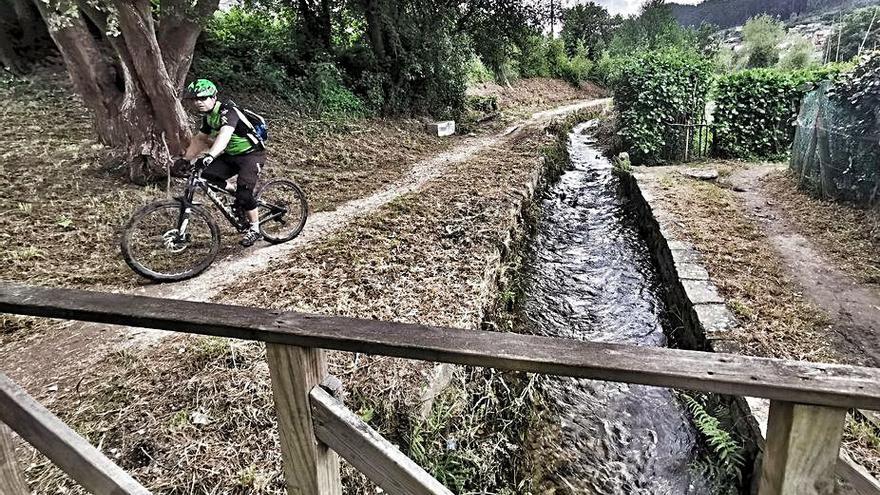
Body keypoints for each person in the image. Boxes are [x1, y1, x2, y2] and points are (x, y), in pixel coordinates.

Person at [181, 79, 265, 247]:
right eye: (195, 99)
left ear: (214, 97)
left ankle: (255, 228)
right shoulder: (208, 117)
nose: (198, 102)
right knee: (206, 176)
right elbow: (200, 139)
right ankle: (237, 194)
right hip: (231, 155)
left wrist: (210, 156)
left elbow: (224, 136)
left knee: (245, 193)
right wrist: (185, 160)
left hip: (252, 155)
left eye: (203, 98)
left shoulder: (228, 111)